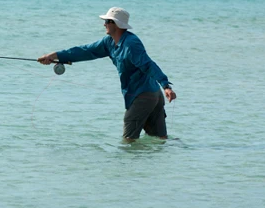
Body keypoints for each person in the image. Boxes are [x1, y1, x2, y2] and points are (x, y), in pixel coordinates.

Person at [38, 7, 176, 141]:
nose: (104, 24)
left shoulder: (131, 44)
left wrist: (166, 86)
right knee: (160, 139)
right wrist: (54, 55)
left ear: (116, 24)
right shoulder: (109, 42)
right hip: (152, 94)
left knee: (128, 140)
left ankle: (125, 164)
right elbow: (85, 51)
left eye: (107, 21)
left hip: (143, 96)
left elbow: (148, 64)